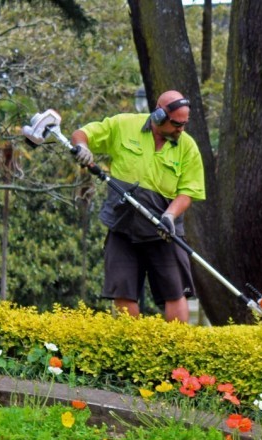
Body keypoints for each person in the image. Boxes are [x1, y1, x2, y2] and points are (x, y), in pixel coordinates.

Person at [70, 90, 206, 323]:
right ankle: (132, 343)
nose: (181, 130)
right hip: (123, 226)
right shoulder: (123, 125)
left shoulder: (187, 147)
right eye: (176, 124)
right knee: (122, 291)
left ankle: (177, 346)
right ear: (159, 115)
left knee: (175, 291)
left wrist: (170, 216)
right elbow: (82, 134)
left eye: (184, 124)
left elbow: (189, 191)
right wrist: (82, 147)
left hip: (164, 229)